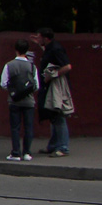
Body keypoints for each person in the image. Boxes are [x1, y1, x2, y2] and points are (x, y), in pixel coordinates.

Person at [30, 27, 72, 157]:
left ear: (46, 38)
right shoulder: (49, 48)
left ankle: (63, 147)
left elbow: (67, 66)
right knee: (53, 116)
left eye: (39, 37)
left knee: (58, 116)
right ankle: (54, 145)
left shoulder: (56, 49)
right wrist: (39, 45)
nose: (38, 39)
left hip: (56, 87)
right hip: (49, 86)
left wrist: (52, 76)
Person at [0, 38, 38, 161]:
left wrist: (13, 90)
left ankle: (16, 152)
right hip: (29, 101)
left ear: (16, 50)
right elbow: (36, 85)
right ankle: (27, 152)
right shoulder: (32, 67)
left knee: (15, 127)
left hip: (14, 100)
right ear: (27, 50)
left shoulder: (9, 65)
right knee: (28, 127)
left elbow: (3, 83)